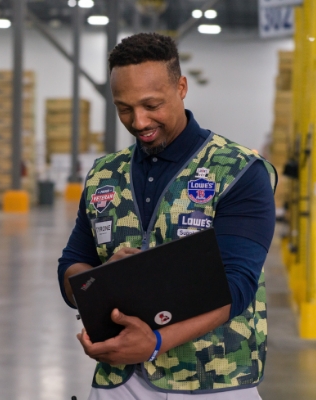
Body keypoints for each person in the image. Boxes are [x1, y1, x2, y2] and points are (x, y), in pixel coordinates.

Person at [58, 33, 276, 399]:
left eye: (151, 105)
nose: (139, 121)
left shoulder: (238, 171)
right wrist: (102, 277)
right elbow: (71, 268)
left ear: (181, 87)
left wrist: (155, 343)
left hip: (213, 382)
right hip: (120, 382)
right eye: (124, 108)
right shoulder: (104, 175)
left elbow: (236, 286)